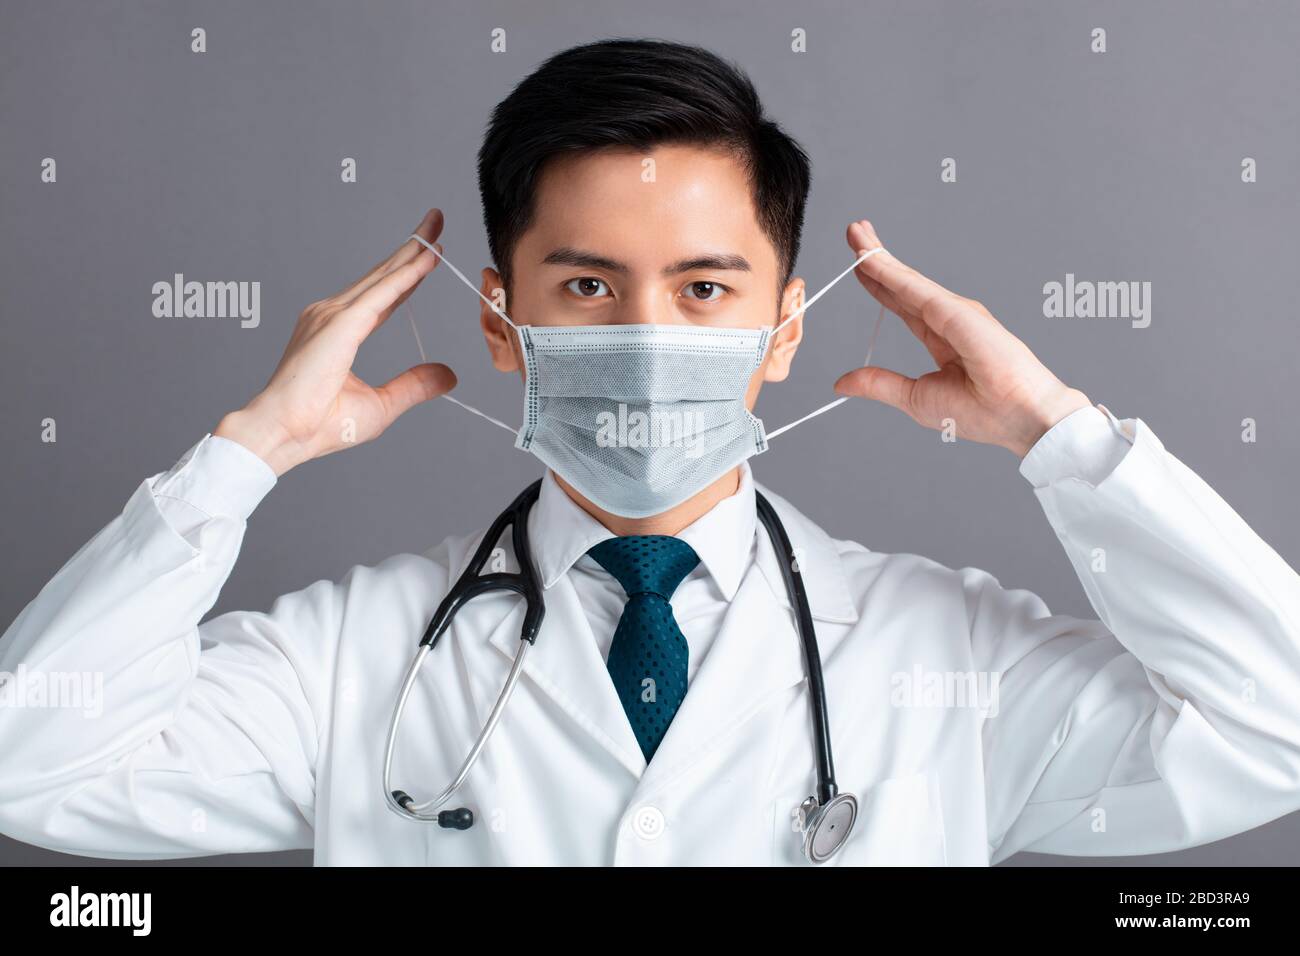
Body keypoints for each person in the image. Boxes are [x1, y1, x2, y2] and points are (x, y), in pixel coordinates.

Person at [1, 38, 1298, 866]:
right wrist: (242, 458)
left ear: (784, 330)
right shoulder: (354, 661)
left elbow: (1276, 727)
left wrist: (1061, 437)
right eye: (583, 287)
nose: (642, 330)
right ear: (500, 325)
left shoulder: (943, 660)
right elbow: (33, 768)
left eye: (703, 288)